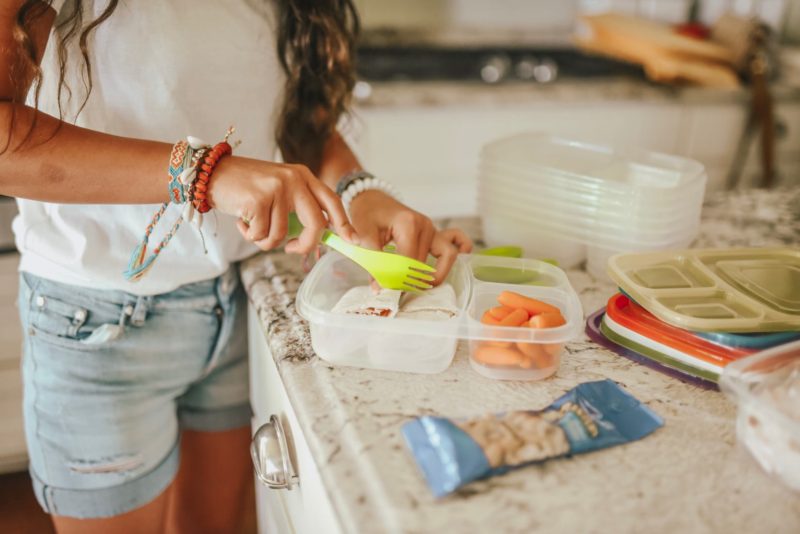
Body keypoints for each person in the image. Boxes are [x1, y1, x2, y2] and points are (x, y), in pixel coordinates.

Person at [0, 1, 473, 532]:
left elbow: (293, 117)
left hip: (237, 299)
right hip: (97, 325)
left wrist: (359, 190)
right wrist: (203, 171)